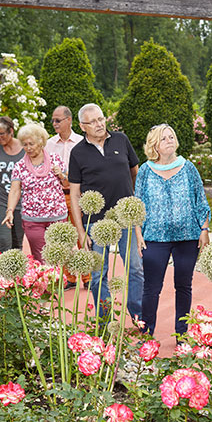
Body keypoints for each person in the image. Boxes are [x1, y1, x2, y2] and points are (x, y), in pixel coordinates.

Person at [68, 103, 144, 321]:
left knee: (135, 268)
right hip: (95, 222)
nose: (99, 124)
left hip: (126, 218)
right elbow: (74, 195)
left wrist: (134, 208)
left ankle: (138, 315)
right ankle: (105, 318)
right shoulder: (77, 153)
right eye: (92, 121)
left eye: (101, 119)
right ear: (82, 126)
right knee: (98, 274)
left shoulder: (121, 140)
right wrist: (80, 231)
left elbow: (135, 174)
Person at [135, 124, 210, 339]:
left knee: (184, 286)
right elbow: (138, 203)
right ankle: (146, 333)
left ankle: (182, 334)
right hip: (154, 237)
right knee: (151, 288)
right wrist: (139, 234)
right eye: (163, 138)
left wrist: (204, 229)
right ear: (154, 145)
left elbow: (200, 201)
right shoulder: (145, 170)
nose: (169, 140)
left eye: (171, 137)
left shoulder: (188, 168)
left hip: (187, 236)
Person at [3, 123, 68, 262]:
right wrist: (10, 211)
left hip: (57, 218)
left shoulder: (55, 159)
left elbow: (68, 184)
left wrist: (62, 175)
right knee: (41, 259)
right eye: (25, 144)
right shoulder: (19, 165)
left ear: (41, 142)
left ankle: (59, 284)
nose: (28, 148)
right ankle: (46, 284)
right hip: (33, 220)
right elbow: (15, 190)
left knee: (59, 257)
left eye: (31, 144)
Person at [45, 105, 86, 289]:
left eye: (58, 120)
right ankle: (69, 278)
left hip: (77, 195)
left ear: (69, 120)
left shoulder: (81, 142)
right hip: (56, 196)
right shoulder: (49, 144)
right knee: (62, 238)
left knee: (81, 235)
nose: (54, 124)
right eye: (53, 120)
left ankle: (88, 278)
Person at [0, 117, 25, 252]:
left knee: (17, 243)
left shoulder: (26, 148)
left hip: (20, 201)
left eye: (1, 134)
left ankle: (18, 272)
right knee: (4, 240)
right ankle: (3, 272)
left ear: (11, 131)